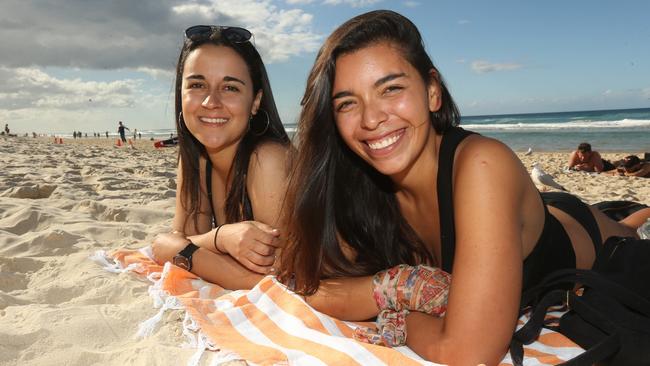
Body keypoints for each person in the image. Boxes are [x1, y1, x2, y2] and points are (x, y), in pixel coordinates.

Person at [278, 10, 650, 365]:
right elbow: (308, 285)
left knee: (626, 230)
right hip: (516, 211)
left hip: (585, 235)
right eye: (347, 103)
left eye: (390, 89)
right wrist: (400, 284)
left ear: (433, 91)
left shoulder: (482, 163)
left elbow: (468, 353)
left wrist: (402, 320)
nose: (371, 119)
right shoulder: (355, 183)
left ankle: (633, 218)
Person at [150, 25, 291, 290]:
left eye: (230, 87)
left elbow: (278, 278)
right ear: (181, 95)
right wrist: (220, 238)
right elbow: (184, 238)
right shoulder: (196, 158)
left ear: (256, 101)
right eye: (197, 85)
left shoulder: (267, 159)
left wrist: (183, 250)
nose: (210, 102)